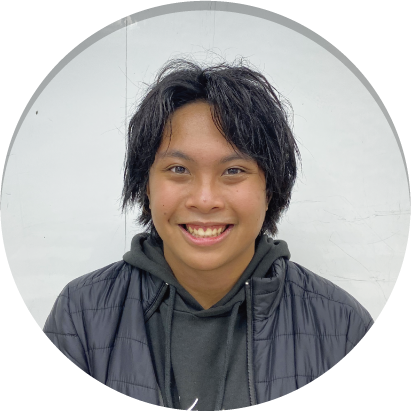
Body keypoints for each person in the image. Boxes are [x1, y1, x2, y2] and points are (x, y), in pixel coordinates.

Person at [43, 58, 374, 409]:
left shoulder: (341, 326)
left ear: (270, 189)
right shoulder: (82, 314)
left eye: (233, 170)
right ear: (146, 186)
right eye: (178, 169)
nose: (204, 199)